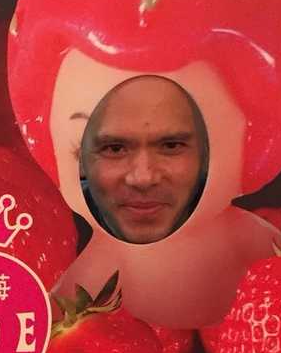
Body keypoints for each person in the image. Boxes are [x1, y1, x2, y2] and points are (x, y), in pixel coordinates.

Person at [80, 76, 208, 245]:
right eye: (115, 149)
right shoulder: (52, 231)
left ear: (206, 154)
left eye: (171, 146)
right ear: (80, 160)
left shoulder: (240, 237)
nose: (143, 179)